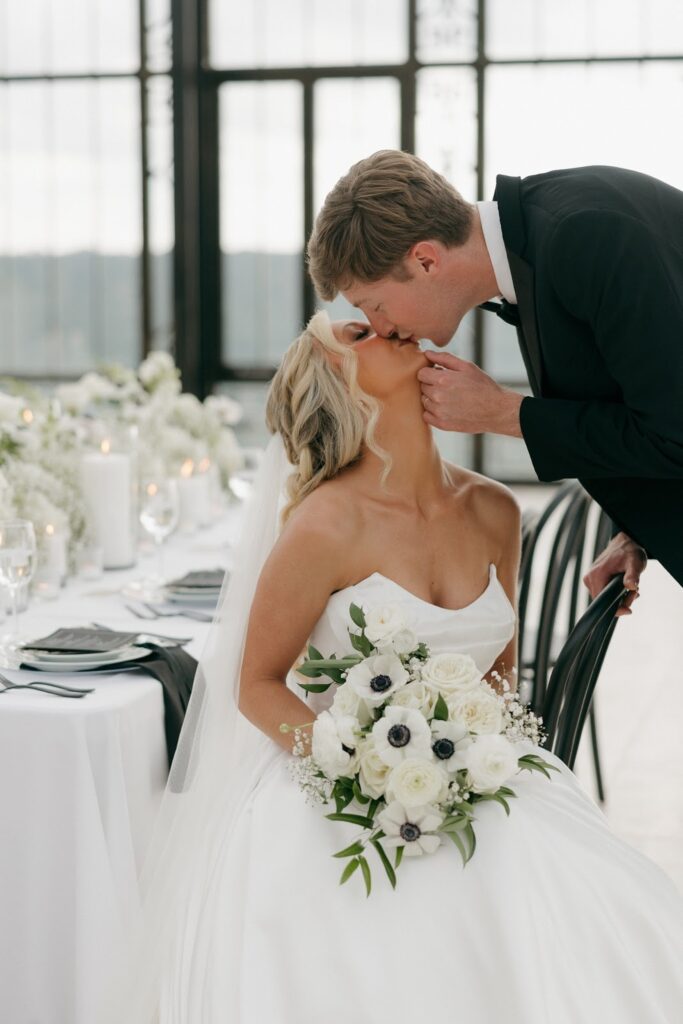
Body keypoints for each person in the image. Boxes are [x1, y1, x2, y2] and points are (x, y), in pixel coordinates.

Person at [113, 311, 683, 1023]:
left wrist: (465, 761)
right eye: (358, 335)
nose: (385, 326)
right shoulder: (325, 525)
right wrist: (362, 770)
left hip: (475, 773)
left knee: (574, 915)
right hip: (339, 792)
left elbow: (498, 680)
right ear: (340, 386)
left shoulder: (495, 508)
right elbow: (255, 685)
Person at [307, 150, 683, 612]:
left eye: (375, 306)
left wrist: (506, 413)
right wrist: (636, 529)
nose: (382, 329)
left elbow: (675, 433)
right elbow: (644, 391)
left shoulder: (585, 234)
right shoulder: (544, 236)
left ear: (425, 261)